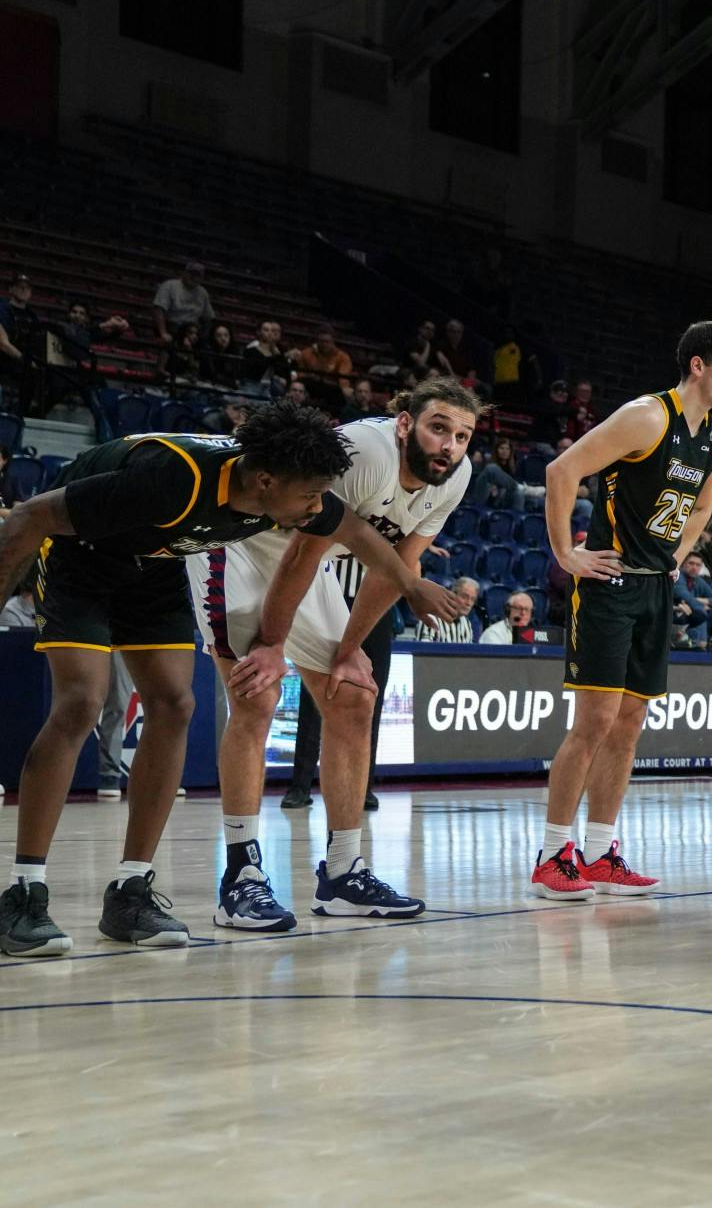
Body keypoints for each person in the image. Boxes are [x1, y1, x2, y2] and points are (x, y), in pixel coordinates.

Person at [0, 402, 459, 956]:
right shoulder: (172, 480)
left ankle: (130, 890)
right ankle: (24, 894)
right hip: (82, 557)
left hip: (157, 564)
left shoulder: (284, 490)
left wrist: (410, 586)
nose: (317, 510)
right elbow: (28, 518)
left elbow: (356, 532)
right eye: (309, 498)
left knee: (174, 706)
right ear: (265, 481)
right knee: (81, 701)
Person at [195, 378, 478, 929]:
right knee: (257, 695)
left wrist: (350, 650)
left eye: (462, 436)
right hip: (241, 542)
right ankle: (241, 875)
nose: (449, 445)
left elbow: (397, 568)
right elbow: (304, 545)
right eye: (438, 427)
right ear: (405, 424)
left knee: (352, 697)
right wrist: (274, 645)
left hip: (307, 559)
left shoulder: (454, 477)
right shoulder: (366, 454)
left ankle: (344, 873)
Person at [532, 322, 712, 900]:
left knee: (628, 727)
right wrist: (566, 554)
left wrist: (676, 554)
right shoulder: (647, 416)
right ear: (697, 365)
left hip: (655, 588)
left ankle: (599, 851)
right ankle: (553, 854)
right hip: (609, 581)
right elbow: (561, 471)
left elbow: (699, 508)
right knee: (594, 723)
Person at [151, 260, 214, 342]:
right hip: (172, 327)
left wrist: (204, 336)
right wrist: (163, 333)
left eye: (197, 275)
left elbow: (208, 317)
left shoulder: (203, 292)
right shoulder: (170, 285)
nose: (194, 277)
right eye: (191, 274)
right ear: (184, 273)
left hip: (192, 330)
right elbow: (159, 309)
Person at [414, 576, 483, 642]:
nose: (469, 603)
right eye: (464, 597)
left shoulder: (466, 622)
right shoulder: (431, 619)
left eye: (472, 599)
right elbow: (423, 651)